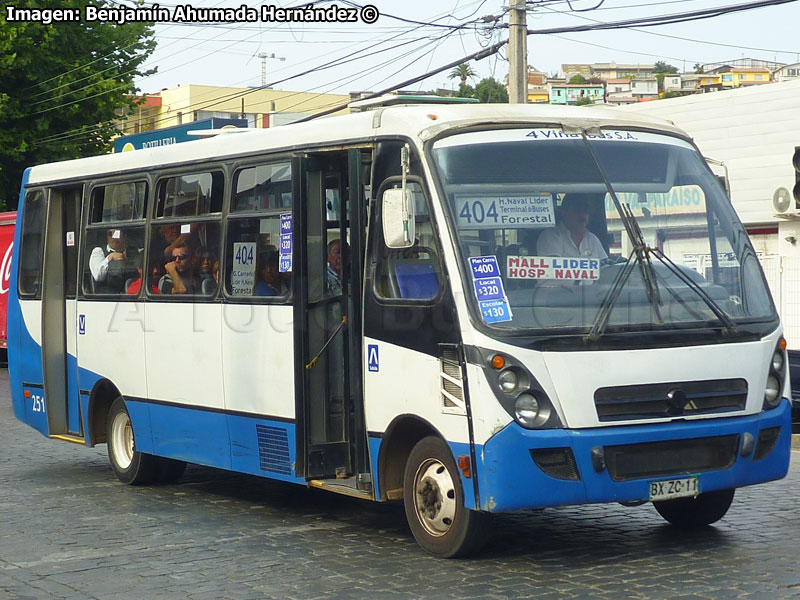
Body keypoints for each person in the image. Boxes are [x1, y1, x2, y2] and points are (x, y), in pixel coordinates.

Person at [537, 194, 608, 260]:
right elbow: (554, 268)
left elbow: (605, 266)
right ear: (564, 213)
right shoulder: (551, 236)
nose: (582, 216)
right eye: (578, 211)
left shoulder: (592, 239)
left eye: (586, 211)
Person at [89, 228, 129, 293]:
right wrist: (110, 258)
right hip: (108, 297)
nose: (113, 237)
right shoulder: (99, 251)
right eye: (110, 234)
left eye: (116, 233)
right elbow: (98, 276)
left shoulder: (133, 252)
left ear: (124, 236)